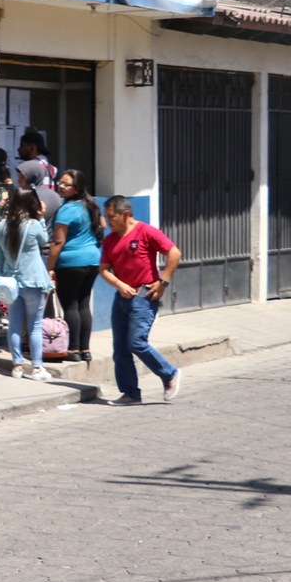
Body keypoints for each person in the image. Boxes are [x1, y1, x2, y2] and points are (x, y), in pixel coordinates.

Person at [99, 196, 183, 405]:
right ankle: (130, 393)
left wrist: (163, 282)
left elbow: (174, 253)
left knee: (136, 342)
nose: (108, 222)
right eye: (106, 217)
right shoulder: (110, 240)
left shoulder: (145, 231)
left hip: (145, 296)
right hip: (122, 298)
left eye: (112, 217)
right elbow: (103, 270)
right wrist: (120, 285)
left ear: (125, 214)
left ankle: (169, 374)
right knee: (120, 349)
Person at [0, 187, 56, 383]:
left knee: (13, 325)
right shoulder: (34, 225)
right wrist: (41, 217)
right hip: (34, 281)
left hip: (11, 283)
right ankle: (37, 369)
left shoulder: (1, 226)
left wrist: (4, 274)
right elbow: (45, 241)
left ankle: (17, 366)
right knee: (34, 326)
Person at [47, 168, 105, 363]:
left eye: (66, 184)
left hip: (70, 263)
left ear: (77, 188)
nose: (60, 186)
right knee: (83, 304)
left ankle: (73, 350)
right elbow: (103, 226)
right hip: (92, 261)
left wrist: (49, 267)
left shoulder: (66, 210)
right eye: (59, 182)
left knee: (70, 305)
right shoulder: (91, 205)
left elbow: (57, 242)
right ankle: (85, 350)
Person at [16, 158, 61, 222]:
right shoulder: (55, 195)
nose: (19, 181)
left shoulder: (29, 197)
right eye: (18, 177)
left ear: (32, 177)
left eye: (22, 177)